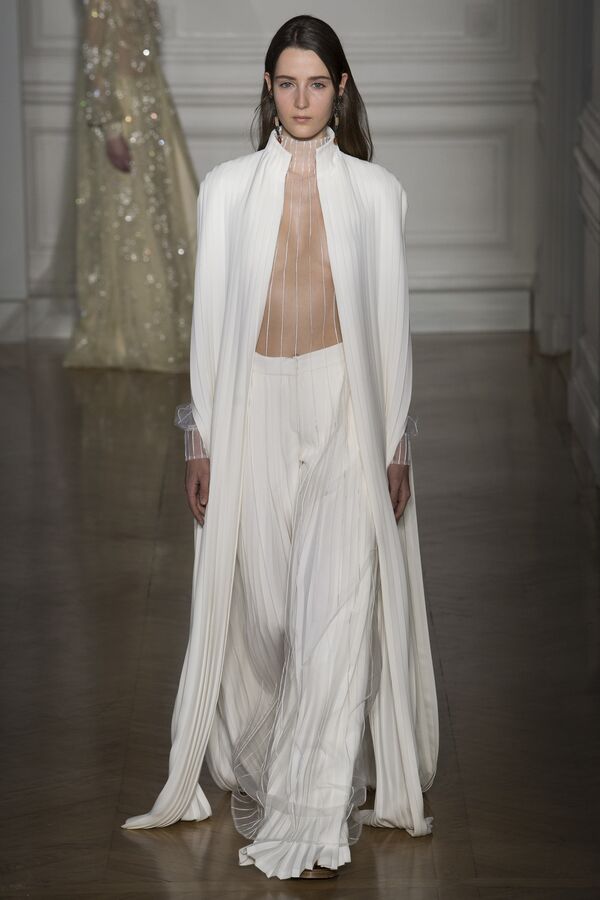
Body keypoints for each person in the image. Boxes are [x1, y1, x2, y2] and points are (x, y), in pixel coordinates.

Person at [122, 14, 439, 881]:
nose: (303, 100)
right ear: (268, 89)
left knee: (331, 614)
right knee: (266, 617)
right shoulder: (227, 190)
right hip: (255, 410)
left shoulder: (377, 193)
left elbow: (391, 329)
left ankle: (312, 811)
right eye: (288, 83)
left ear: (342, 90)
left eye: (318, 84)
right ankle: (273, 762)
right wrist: (198, 438)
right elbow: (210, 323)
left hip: (344, 411)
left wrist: (397, 441)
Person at [64, 0, 198, 372]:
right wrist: (111, 128)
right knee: (132, 218)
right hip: (126, 113)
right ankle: (132, 334)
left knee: (160, 217)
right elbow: (95, 61)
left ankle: (166, 325)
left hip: (150, 107)